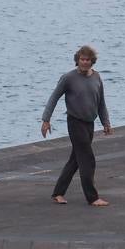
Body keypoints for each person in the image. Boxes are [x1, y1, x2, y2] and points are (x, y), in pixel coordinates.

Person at [40, 44, 112, 205]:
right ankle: (92, 197)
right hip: (75, 122)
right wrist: (46, 120)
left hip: (89, 124)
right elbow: (53, 98)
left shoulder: (96, 77)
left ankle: (58, 193)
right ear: (77, 60)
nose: (84, 62)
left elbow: (101, 103)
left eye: (87, 60)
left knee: (75, 160)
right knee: (87, 159)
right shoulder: (68, 78)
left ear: (92, 61)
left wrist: (105, 122)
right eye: (82, 59)